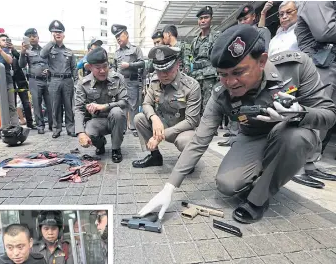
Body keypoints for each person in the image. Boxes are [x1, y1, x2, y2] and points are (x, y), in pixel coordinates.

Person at [138, 24, 336, 224]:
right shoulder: (220, 95)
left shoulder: (296, 66)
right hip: (253, 137)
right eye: (223, 75)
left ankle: (258, 200)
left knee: (295, 139)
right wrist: (169, 188)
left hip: (291, 132)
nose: (230, 82)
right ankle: (265, 171)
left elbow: (329, 114)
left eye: (238, 72)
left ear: (262, 61)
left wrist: (299, 113)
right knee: (227, 185)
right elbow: (199, 140)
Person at [132, 45, 201, 169]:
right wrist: (154, 118)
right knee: (139, 118)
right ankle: (155, 156)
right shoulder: (155, 83)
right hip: (163, 124)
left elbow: (192, 121)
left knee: (185, 142)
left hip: (182, 130)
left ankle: (187, 158)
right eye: (159, 70)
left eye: (168, 69)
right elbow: (147, 104)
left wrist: (159, 135)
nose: (163, 74)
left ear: (177, 65)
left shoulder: (191, 86)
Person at [295, 1, 336, 182]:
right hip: (320, 62)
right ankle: (296, 167)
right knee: (314, 115)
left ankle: (309, 164)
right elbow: (325, 31)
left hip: (326, 62)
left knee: (323, 120)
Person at [75, 47, 127, 163]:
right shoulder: (83, 84)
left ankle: (116, 149)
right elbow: (78, 109)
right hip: (97, 121)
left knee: (117, 112)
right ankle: (100, 144)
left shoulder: (118, 79)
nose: (103, 70)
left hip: (116, 119)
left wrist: (105, 106)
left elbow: (124, 102)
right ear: (89, 67)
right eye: (98, 68)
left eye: (105, 66)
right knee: (88, 131)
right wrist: (80, 133)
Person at [40, 20, 76, 138]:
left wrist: (76, 82)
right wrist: (51, 42)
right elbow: (42, 55)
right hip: (54, 80)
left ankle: (71, 128)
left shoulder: (69, 51)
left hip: (67, 80)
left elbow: (74, 68)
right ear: (52, 34)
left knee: (69, 106)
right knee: (55, 106)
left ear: (63, 35)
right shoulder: (49, 49)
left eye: (59, 32)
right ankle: (57, 128)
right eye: (54, 32)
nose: (57, 34)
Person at [112, 24, 145, 137]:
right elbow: (113, 67)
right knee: (122, 105)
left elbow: (142, 63)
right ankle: (122, 127)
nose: (118, 39)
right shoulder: (117, 53)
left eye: (119, 36)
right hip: (120, 83)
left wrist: (129, 65)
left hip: (132, 81)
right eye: (116, 37)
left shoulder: (135, 49)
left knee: (133, 105)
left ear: (126, 35)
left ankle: (134, 127)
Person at [0, 34, 36, 130]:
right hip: (10, 83)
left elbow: (21, 60)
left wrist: (13, 49)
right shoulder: (0, 55)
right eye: (3, 40)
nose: (5, 42)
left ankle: (30, 123)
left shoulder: (14, 53)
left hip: (21, 82)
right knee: (12, 104)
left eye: (6, 40)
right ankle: (14, 123)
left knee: (26, 103)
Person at [19, 28, 53, 134]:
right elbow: (22, 65)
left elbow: (52, 64)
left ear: (38, 38)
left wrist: (49, 70)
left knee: (50, 103)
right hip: (34, 80)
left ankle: (53, 125)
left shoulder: (45, 50)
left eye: (34, 36)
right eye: (30, 37)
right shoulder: (26, 51)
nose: (32, 38)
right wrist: (22, 52)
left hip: (47, 80)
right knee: (37, 104)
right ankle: (40, 126)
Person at [190, 6, 220, 115]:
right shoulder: (194, 41)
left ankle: (210, 130)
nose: (203, 20)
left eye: (206, 17)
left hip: (210, 77)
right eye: (200, 18)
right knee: (196, 104)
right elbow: (192, 58)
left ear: (211, 19)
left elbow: (218, 56)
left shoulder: (216, 37)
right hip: (196, 77)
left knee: (209, 104)